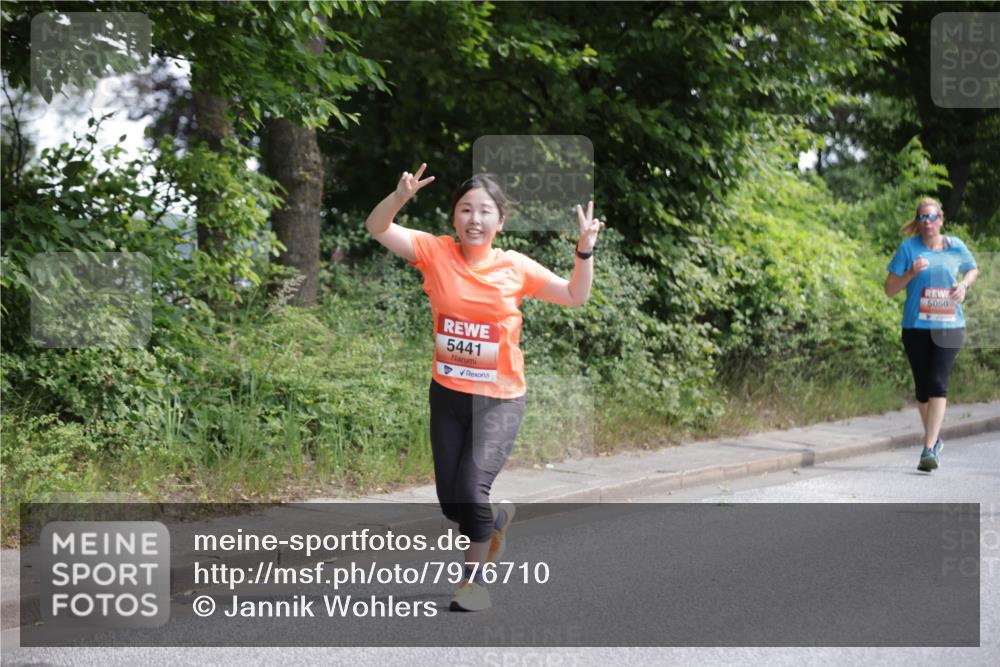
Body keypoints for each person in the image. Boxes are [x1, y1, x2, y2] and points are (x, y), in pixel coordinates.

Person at [364, 163, 605, 611]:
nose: (475, 219)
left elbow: (575, 295)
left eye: (485, 211)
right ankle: (494, 521)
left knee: (472, 490)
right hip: (448, 394)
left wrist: (584, 252)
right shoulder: (435, 252)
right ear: (454, 218)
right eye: (465, 210)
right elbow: (377, 227)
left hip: (500, 400)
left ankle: (472, 584)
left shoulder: (515, 267)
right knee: (452, 504)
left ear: (501, 220)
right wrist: (400, 196)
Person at [884, 196, 979, 472]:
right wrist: (910, 273)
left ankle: (928, 449)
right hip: (915, 327)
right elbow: (889, 289)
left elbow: (972, 268)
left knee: (938, 382)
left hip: (949, 327)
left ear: (941, 220)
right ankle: (935, 440)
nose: (928, 222)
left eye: (933, 217)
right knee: (923, 392)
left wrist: (964, 284)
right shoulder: (908, 249)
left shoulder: (954, 245)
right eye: (923, 217)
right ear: (918, 221)